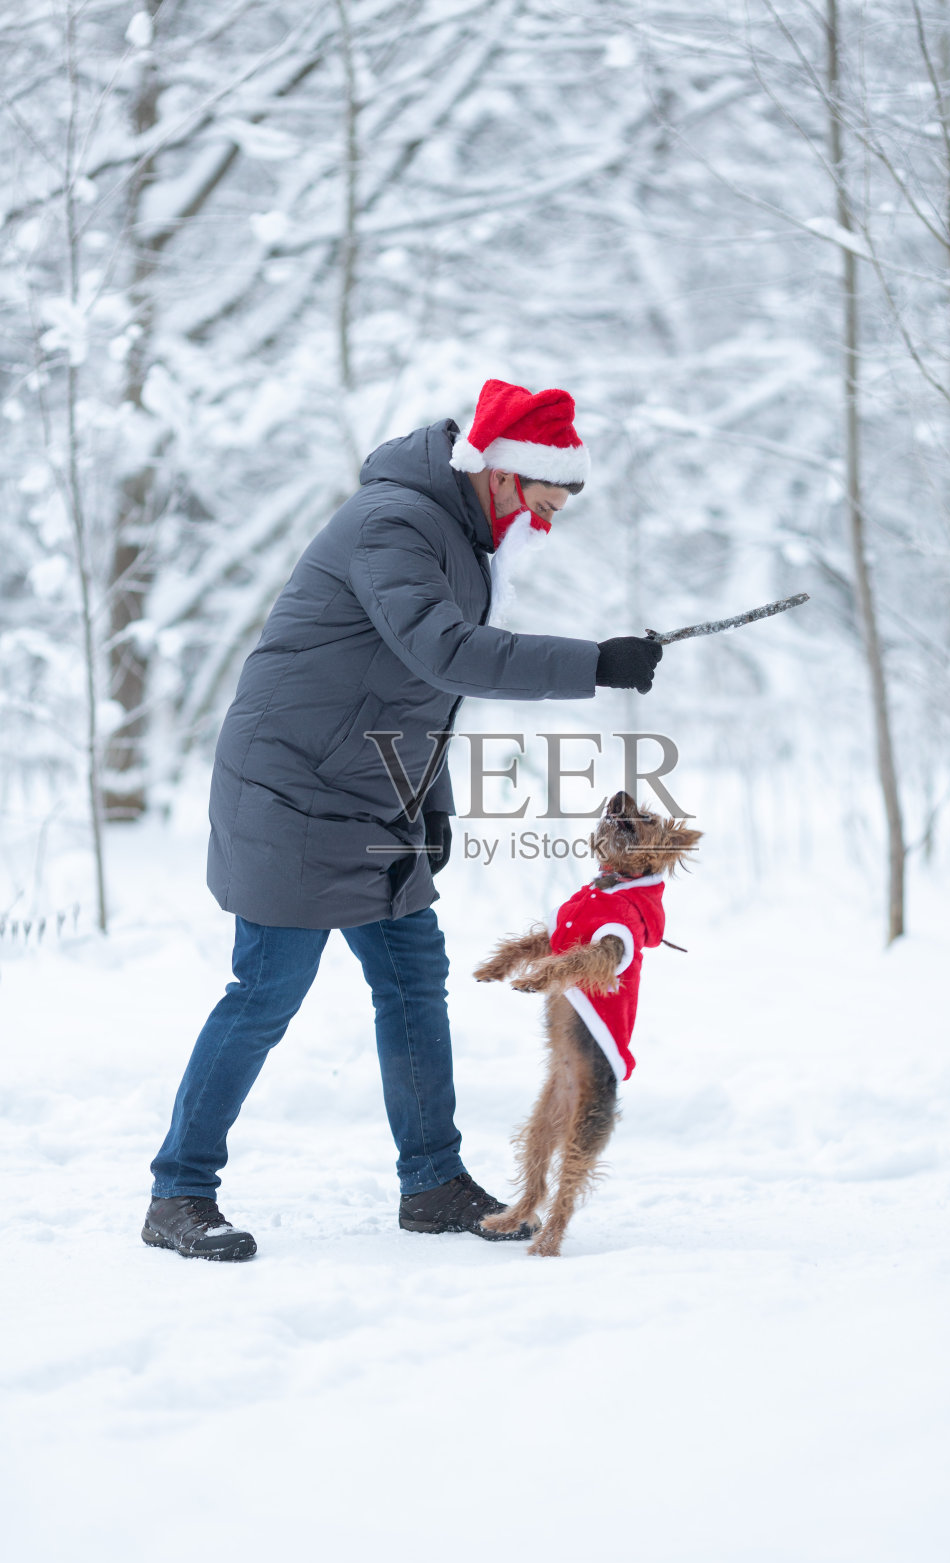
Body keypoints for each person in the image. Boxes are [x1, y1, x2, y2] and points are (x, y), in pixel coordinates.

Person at [141, 379, 662, 1261]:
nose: (547, 517)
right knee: (266, 992)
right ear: (501, 472)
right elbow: (443, 651)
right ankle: (178, 1192)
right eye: (544, 496)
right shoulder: (396, 522)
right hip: (290, 792)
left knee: (414, 979)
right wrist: (595, 663)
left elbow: (419, 690)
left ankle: (430, 1182)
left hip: (370, 793)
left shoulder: (460, 533)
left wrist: (430, 799)